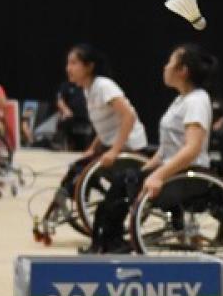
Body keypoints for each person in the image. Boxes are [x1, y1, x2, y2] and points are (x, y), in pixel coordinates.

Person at [87, 44, 216, 253]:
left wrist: (158, 175)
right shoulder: (181, 100)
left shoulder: (197, 101)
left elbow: (192, 149)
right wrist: (148, 168)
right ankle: (106, 242)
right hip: (175, 171)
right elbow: (168, 148)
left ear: (182, 70)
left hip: (188, 178)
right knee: (123, 181)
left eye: (170, 63)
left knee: (125, 185)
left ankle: (112, 243)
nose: (165, 67)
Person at [47, 45, 148, 222]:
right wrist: (92, 148)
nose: (68, 68)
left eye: (73, 63)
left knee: (81, 169)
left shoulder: (104, 86)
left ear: (89, 66)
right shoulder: (88, 89)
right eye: (67, 63)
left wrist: (115, 150)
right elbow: (106, 127)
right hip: (113, 145)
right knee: (78, 166)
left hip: (130, 147)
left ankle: (69, 198)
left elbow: (129, 116)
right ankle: (63, 200)